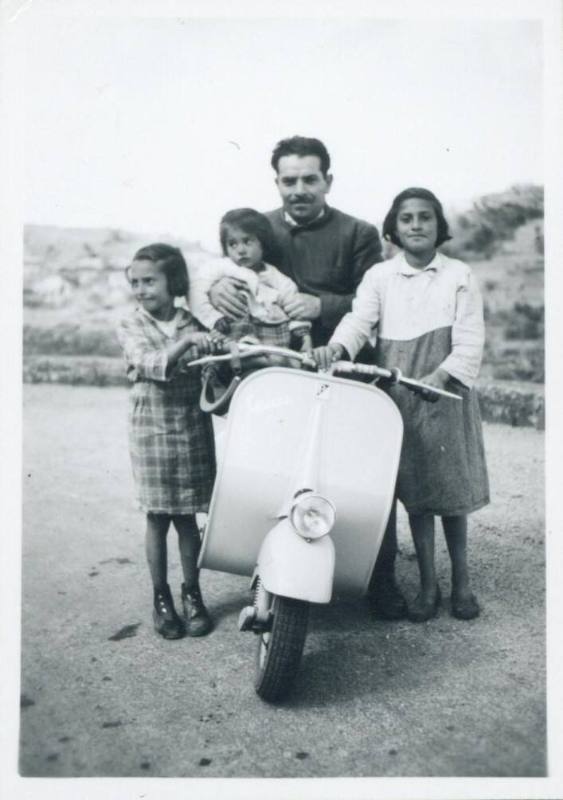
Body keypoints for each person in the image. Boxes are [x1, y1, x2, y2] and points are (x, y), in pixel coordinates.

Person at [207, 136, 404, 619]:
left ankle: (381, 577)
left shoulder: (358, 233)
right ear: (276, 182)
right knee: (269, 460)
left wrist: (323, 306)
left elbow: (377, 296)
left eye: (309, 179)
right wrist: (215, 288)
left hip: (343, 364)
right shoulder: (260, 227)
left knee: (364, 469)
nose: (299, 189)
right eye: (289, 180)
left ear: (328, 181)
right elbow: (223, 267)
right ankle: (270, 568)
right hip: (273, 370)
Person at [314, 188, 489, 622]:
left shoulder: (459, 275)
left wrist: (442, 374)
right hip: (401, 395)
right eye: (407, 218)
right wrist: (336, 348)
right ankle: (429, 585)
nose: (416, 225)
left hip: (445, 392)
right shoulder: (380, 276)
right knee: (417, 494)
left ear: (438, 225)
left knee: (451, 491)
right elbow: (359, 320)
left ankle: (462, 583)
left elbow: (470, 339)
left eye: (425, 217)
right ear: (393, 228)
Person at [117, 243, 221, 640]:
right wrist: (189, 342)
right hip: (152, 429)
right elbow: (150, 364)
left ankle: (192, 592)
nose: (142, 290)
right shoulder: (130, 325)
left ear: (174, 282)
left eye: (150, 281)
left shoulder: (193, 320)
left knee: (188, 517)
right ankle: (161, 597)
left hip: (191, 426)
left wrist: (210, 344)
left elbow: (216, 358)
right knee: (158, 516)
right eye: (135, 283)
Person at [189, 207, 307, 348]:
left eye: (247, 241)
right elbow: (195, 292)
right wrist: (213, 319)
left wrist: (304, 336)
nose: (241, 250)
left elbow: (292, 304)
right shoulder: (220, 267)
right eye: (233, 244)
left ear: (263, 242)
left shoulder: (274, 276)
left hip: (267, 337)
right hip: (229, 332)